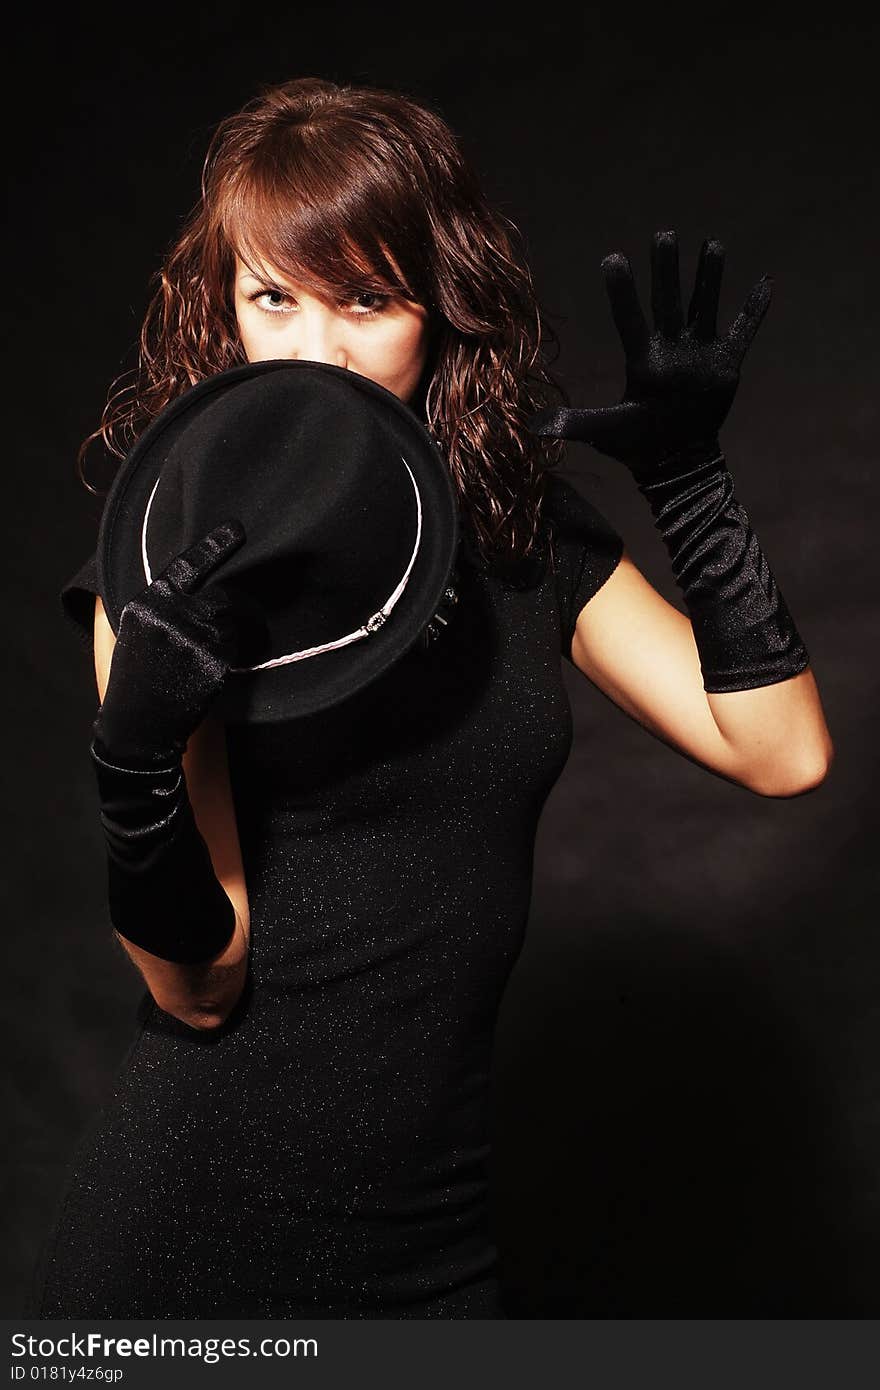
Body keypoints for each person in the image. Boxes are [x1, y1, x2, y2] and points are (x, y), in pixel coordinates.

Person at [25, 76, 833, 1320]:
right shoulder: (162, 577)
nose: (318, 350)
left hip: (435, 1239)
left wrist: (687, 482)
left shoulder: (521, 532)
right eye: (274, 297)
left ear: (441, 311)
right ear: (225, 314)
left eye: (367, 298)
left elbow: (778, 754)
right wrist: (134, 768)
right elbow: (200, 986)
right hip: (197, 1239)